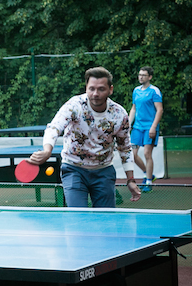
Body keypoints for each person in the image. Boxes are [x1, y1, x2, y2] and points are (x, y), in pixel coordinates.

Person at [29, 67, 141, 207]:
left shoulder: (119, 115)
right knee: (78, 217)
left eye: (101, 89)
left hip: (104, 171)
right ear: (86, 88)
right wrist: (47, 150)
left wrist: (130, 179)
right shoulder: (74, 105)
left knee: (105, 221)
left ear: (110, 90)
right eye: (91, 88)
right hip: (73, 169)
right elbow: (54, 127)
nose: (95, 93)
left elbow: (125, 148)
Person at [127, 66, 163, 192]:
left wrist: (153, 127)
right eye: (139, 74)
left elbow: (159, 110)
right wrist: (129, 123)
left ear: (150, 77)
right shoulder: (136, 90)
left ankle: (148, 182)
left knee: (147, 153)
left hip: (150, 127)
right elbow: (134, 108)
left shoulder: (154, 91)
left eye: (143, 75)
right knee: (132, 154)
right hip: (137, 127)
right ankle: (148, 174)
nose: (140, 77)